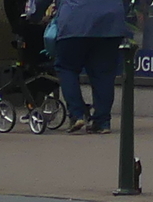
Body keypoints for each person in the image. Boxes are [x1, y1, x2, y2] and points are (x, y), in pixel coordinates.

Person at [51, 0, 124, 131]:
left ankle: (77, 114)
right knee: (103, 73)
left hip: (74, 23)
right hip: (110, 22)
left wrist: (34, 14)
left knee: (66, 68)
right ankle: (102, 122)